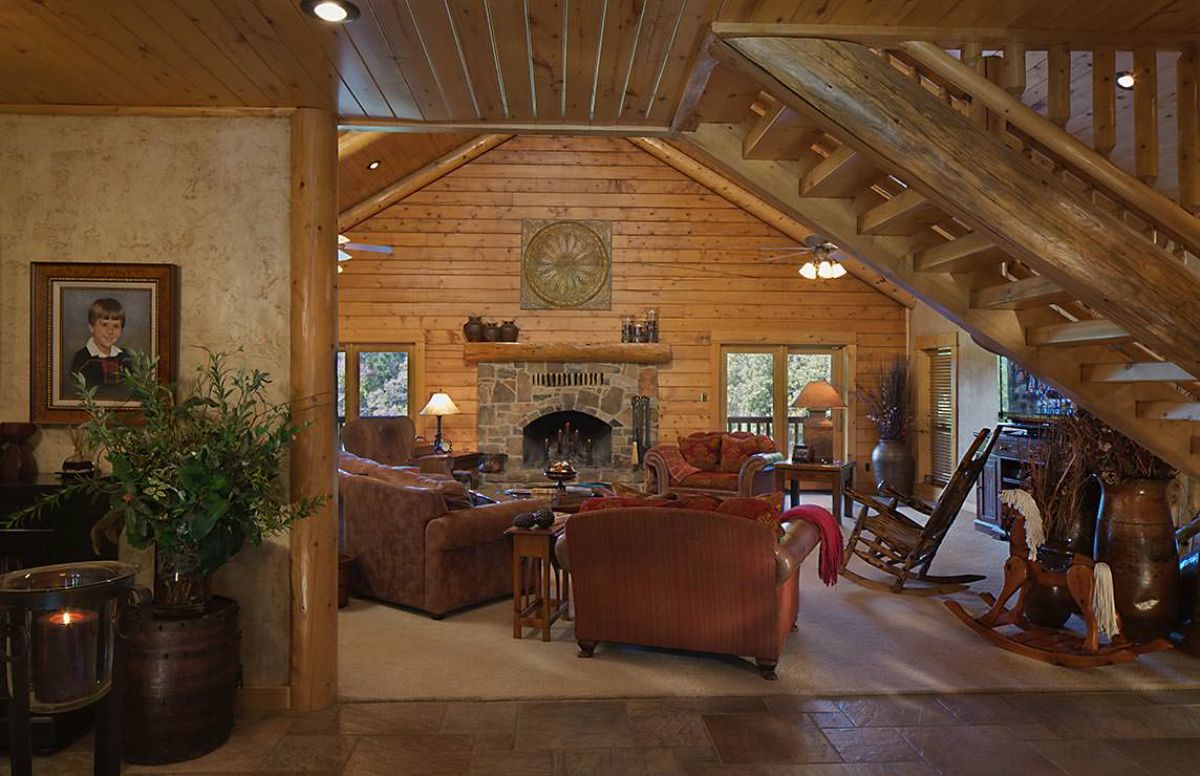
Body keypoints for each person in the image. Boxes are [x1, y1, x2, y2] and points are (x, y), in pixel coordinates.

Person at [68, 297, 130, 398]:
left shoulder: (125, 357)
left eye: (115, 326)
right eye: (104, 324)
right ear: (91, 327)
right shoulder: (82, 359)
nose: (110, 331)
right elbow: (75, 392)